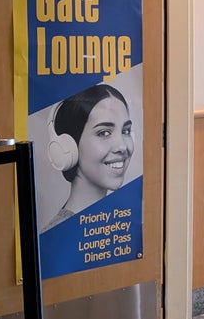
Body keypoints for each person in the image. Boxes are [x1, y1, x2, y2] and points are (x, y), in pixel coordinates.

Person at [41, 83, 134, 231]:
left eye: (126, 131)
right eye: (104, 133)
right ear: (69, 146)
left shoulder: (116, 221)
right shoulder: (58, 234)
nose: (122, 147)